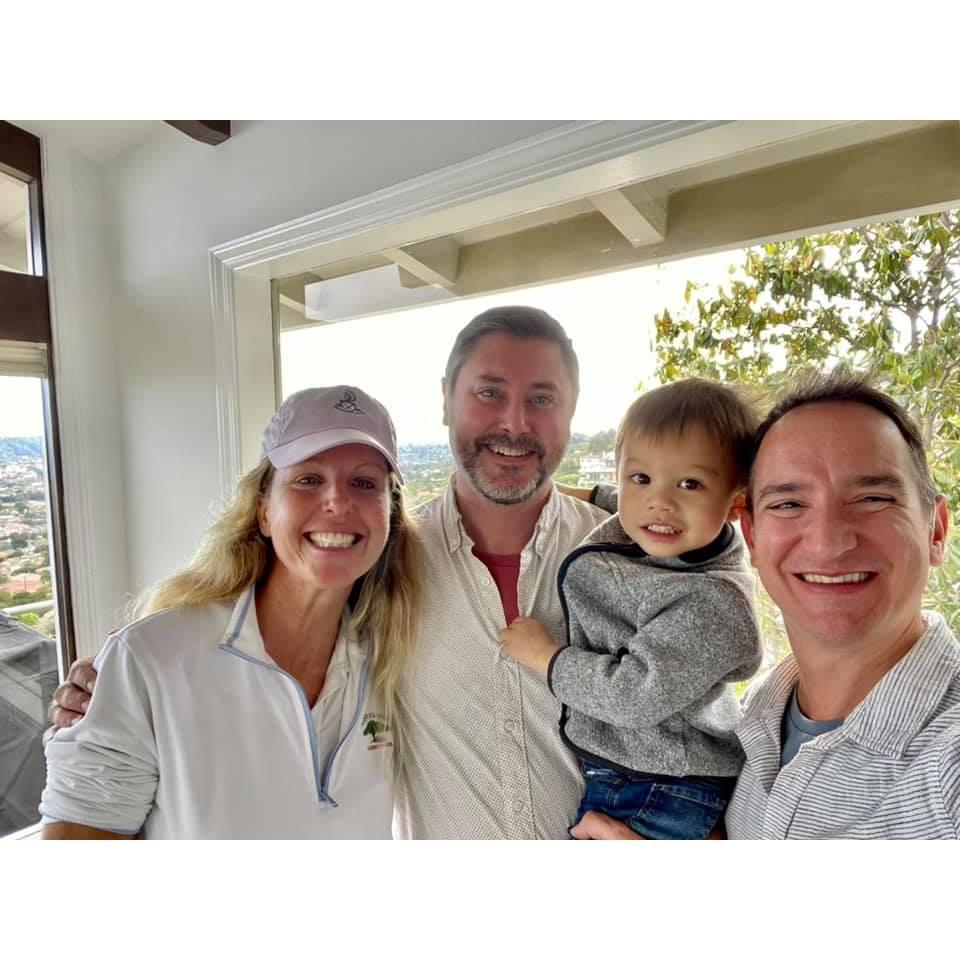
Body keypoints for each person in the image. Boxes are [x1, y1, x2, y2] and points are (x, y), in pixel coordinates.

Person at [51, 307, 618, 837]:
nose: (515, 422)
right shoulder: (393, 570)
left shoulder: (626, 559)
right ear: (446, 400)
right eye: (489, 392)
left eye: (542, 398)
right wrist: (112, 687)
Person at [576, 369, 960, 840]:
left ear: (935, 530)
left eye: (872, 498)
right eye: (788, 504)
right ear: (752, 536)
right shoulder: (756, 718)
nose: (828, 541)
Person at [40, 385, 422, 838]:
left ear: (389, 516)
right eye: (308, 479)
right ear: (264, 512)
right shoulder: (149, 659)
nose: (337, 501)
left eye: (364, 483)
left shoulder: (395, 661)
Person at [500, 379, 763, 838]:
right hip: (639, 774)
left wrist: (546, 657)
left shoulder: (712, 602)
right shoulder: (668, 529)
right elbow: (627, 503)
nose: (660, 502)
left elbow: (634, 694)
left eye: (690, 484)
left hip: (662, 788)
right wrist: (572, 494)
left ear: (736, 502)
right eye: (640, 478)